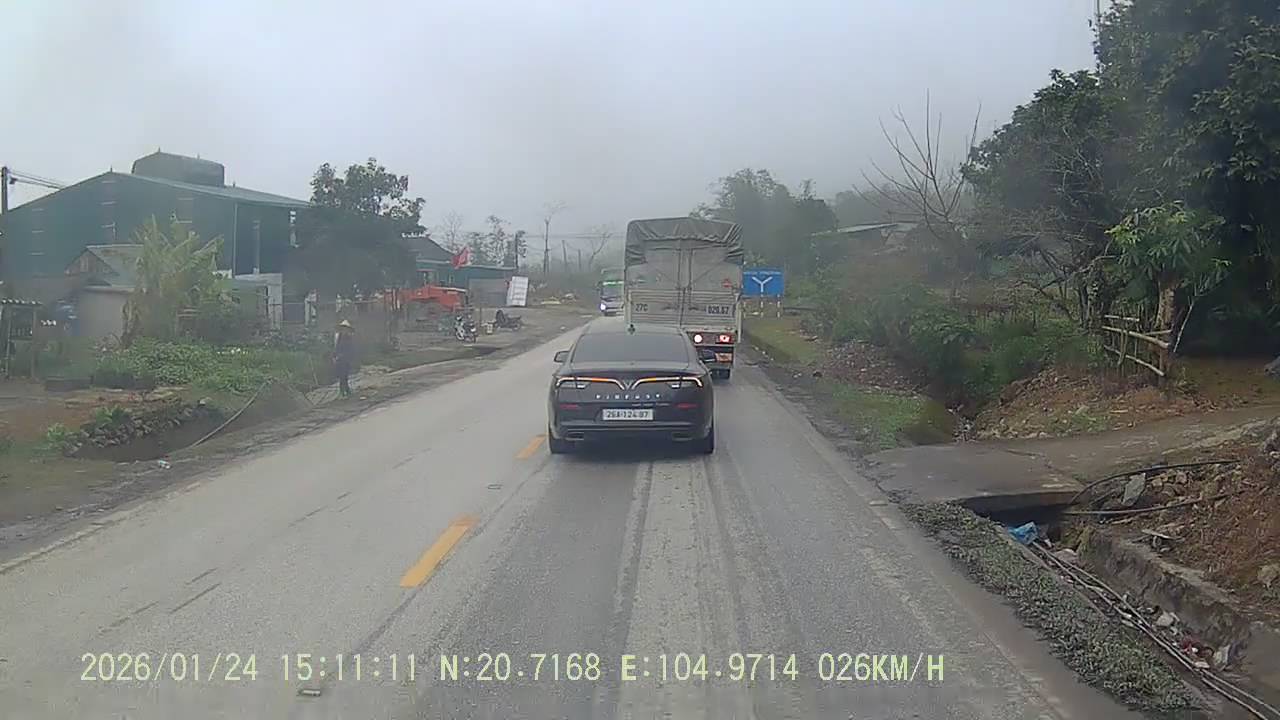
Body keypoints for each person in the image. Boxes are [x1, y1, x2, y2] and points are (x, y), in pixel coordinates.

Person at [333, 319, 356, 397]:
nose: (344, 330)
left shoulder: (349, 338)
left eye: (345, 329)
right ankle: (343, 391)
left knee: (345, 375)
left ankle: (346, 390)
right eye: (343, 328)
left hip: (346, 359)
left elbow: (350, 349)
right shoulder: (338, 337)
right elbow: (336, 348)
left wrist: (345, 355)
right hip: (339, 359)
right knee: (341, 376)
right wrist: (335, 356)